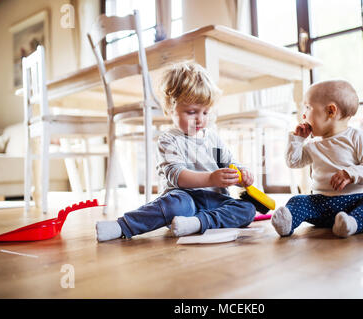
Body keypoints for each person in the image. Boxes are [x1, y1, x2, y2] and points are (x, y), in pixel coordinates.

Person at [96, 62, 256, 242]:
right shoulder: (169, 140)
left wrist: (241, 174)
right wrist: (211, 178)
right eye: (192, 112)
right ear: (171, 108)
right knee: (175, 206)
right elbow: (178, 176)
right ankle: (122, 226)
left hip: (213, 201)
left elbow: (227, 164)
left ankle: (197, 223)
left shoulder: (213, 139)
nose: (200, 120)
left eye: (205, 112)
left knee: (247, 209)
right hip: (184, 199)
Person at [271, 79, 363, 238]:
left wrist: (350, 173)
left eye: (308, 107)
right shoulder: (313, 144)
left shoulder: (355, 137)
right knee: (298, 200)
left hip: (354, 201)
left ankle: (351, 223)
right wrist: (297, 140)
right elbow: (293, 162)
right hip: (321, 203)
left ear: (331, 111)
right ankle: (287, 223)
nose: (303, 114)